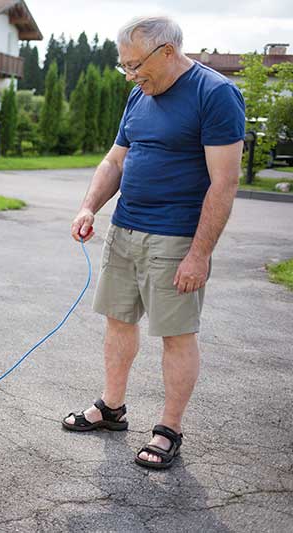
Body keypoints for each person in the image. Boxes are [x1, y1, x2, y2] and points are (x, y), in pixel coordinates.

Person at [62, 16, 245, 469]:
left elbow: (224, 183)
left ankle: (169, 429)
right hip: (125, 229)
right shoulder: (138, 95)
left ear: (167, 51)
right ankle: (111, 408)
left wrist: (199, 254)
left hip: (177, 238)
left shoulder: (214, 93)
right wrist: (90, 206)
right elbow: (115, 161)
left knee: (176, 336)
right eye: (123, 66)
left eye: (134, 64)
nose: (129, 74)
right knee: (118, 321)